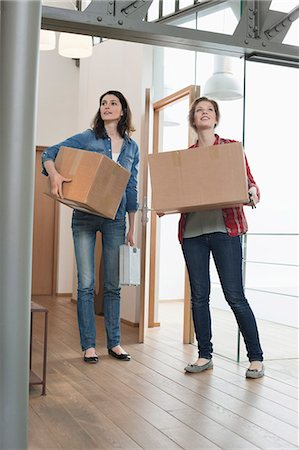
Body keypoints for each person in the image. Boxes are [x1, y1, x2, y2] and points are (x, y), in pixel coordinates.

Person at [42, 90, 139, 364]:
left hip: (116, 218)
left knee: (112, 284)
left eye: (113, 103)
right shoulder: (88, 137)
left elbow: (131, 187)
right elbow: (49, 154)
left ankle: (115, 343)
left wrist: (132, 228)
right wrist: (55, 175)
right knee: (86, 284)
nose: (107, 107)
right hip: (84, 215)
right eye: (103, 103)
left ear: (122, 111)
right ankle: (88, 345)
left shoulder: (132, 148)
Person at [179, 96, 264, 378]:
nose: (204, 113)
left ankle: (256, 358)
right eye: (199, 110)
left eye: (209, 110)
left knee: (234, 295)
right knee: (199, 296)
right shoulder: (186, 156)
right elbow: (176, 191)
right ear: (193, 119)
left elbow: (250, 183)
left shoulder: (231, 149)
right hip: (192, 234)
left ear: (216, 118)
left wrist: (252, 190)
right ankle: (204, 355)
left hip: (225, 230)